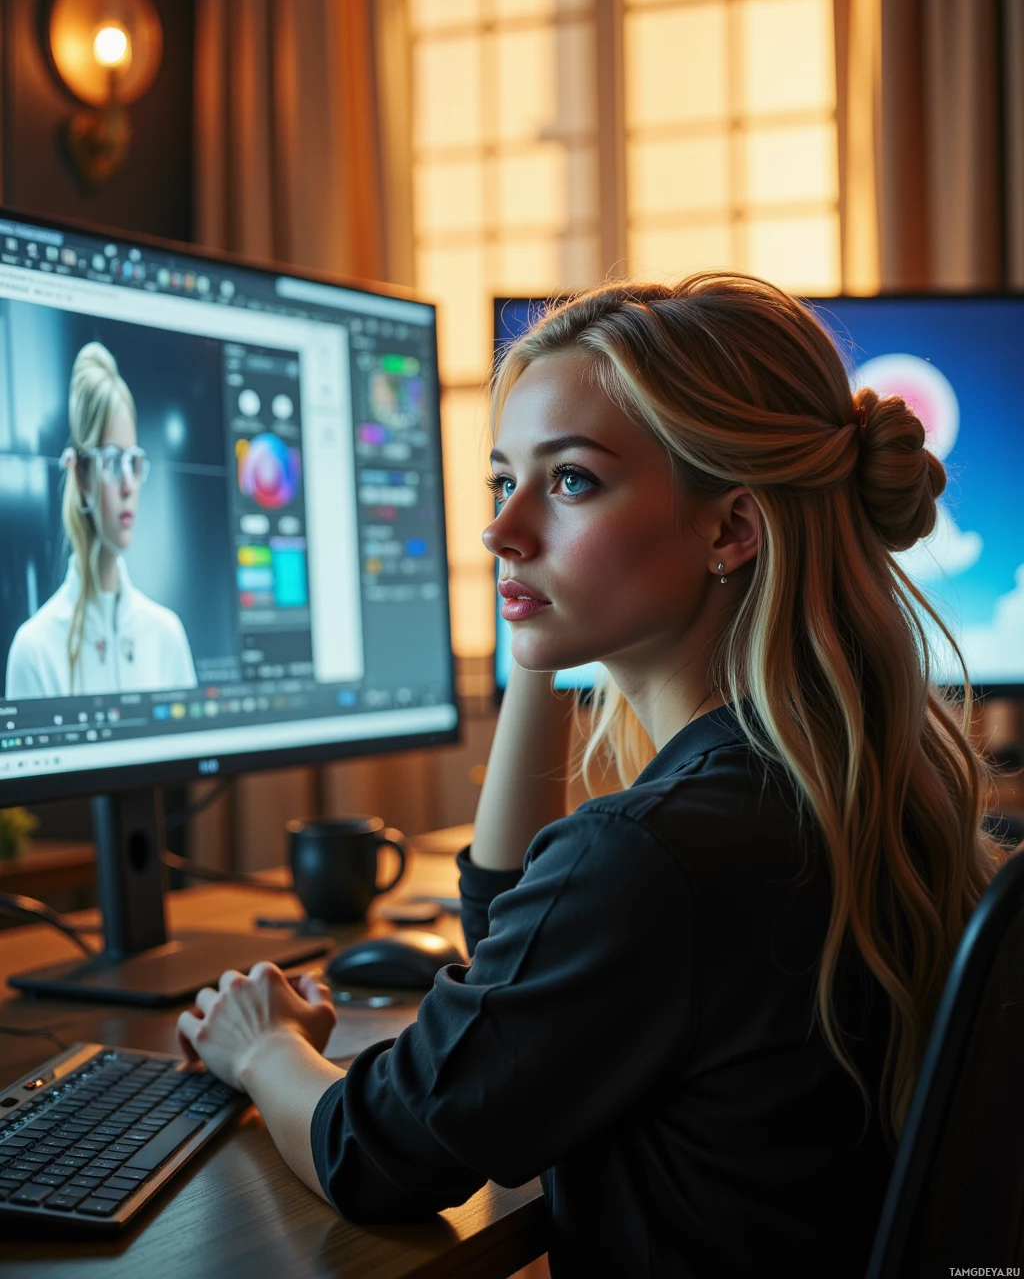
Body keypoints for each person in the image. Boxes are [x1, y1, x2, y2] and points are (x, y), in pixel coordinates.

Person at [175, 275, 1001, 1278]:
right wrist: (537, 631)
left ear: (731, 530)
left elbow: (377, 1153)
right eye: (499, 483)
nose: (500, 529)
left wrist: (262, 1047)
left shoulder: (656, 855)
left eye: (569, 482)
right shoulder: (844, 783)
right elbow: (521, 959)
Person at [6, 340, 197, 698]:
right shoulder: (35, 652)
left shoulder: (166, 637)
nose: (128, 486)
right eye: (111, 462)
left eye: (133, 462)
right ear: (81, 476)